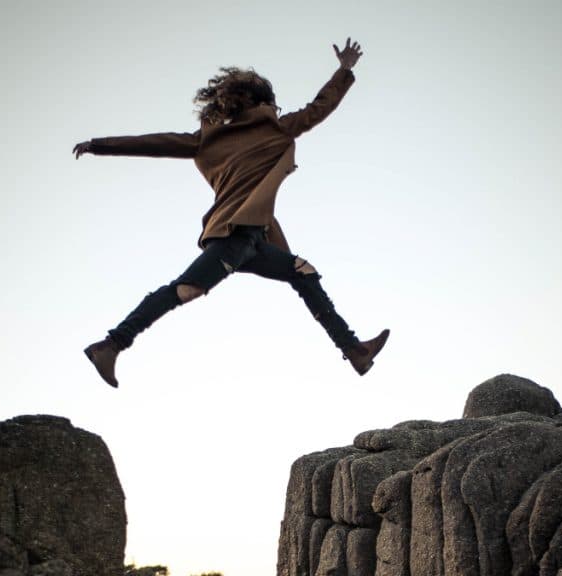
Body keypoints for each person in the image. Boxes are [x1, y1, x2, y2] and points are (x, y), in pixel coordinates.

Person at [73, 37, 389, 388]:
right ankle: (112, 344)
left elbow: (154, 141)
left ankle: (355, 351)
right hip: (233, 237)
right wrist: (344, 70)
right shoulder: (274, 128)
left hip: (253, 239)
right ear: (261, 102)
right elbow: (320, 107)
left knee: (303, 272)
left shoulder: (209, 139)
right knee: (186, 289)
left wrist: (99, 145)